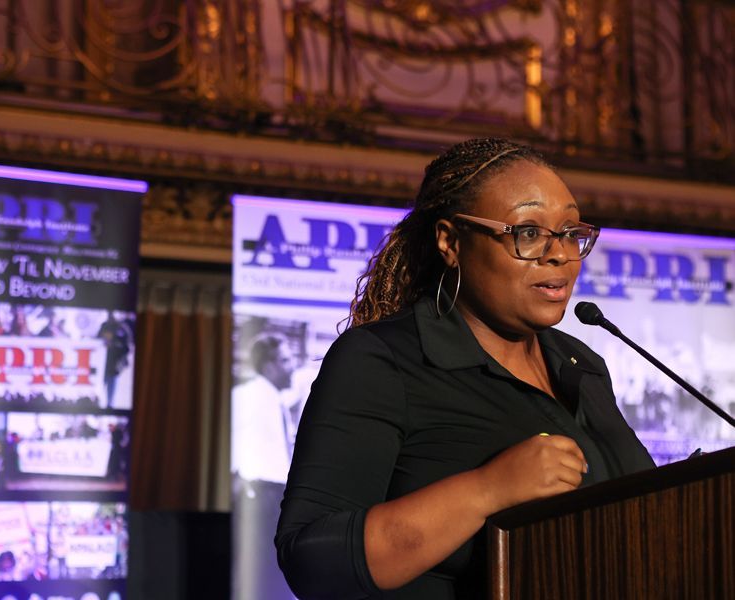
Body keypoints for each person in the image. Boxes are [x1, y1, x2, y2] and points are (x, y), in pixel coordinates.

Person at [275, 138, 656, 599]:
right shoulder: (382, 361)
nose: (561, 254)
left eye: (570, 231)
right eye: (528, 233)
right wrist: (486, 490)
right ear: (450, 241)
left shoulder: (580, 365)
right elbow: (313, 562)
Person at [232, 333, 303, 599]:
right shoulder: (246, 395)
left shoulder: (276, 399)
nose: (292, 366)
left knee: (277, 574)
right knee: (263, 574)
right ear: (269, 365)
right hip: (259, 496)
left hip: (277, 496)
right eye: (286, 360)